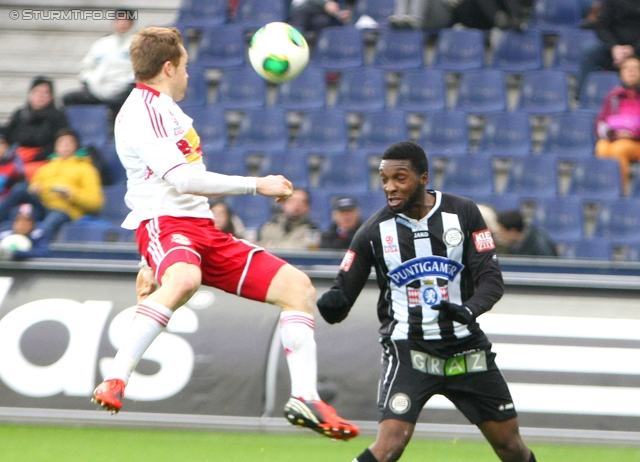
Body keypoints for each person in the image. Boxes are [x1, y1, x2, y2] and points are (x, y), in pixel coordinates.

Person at [91, 26, 358, 442]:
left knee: (298, 289)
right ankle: (116, 376)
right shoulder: (146, 111)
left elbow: (156, 180)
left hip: (201, 230)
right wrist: (259, 184)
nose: (188, 75)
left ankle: (305, 397)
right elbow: (181, 180)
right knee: (184, 280)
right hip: (166, 225)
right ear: (168, 67)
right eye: (184, 66)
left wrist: (149, 261)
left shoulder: (162, 107)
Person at [316, 141, 537, 462]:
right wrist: (328, 303)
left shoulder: (463, 213)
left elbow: (492, 281)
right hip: (409, 350)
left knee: (511, 447)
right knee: (390, 445)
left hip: (466, 350)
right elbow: (341, 298)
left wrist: (467, 311)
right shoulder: (372, 232)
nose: (390, 187)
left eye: (400, 178)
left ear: (423, 178)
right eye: (384, 179)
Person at [0, 128, 104, 240]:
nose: (65, 145)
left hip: (65, 209)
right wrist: (34, 190)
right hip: (42, 206)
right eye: (61, 142)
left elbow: (96, 203)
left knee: (50, 222)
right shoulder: (45, 168)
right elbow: (31, 189)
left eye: (70, 142)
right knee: (20, 190)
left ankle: (31, 244)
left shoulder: (86, 169)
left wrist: (72, 195)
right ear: (56, 146)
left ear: (76, 146)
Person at [62, 10, 136, 120]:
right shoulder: (102, 44)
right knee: (68, 98)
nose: (122, 23)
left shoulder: (137, 44)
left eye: (126, 20)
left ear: (131, 23)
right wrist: (90, 81)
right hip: (96, 90)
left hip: (122, 91)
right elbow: (86, 67)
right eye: (119, 20)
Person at [2, 75, 69, 180]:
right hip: (16, 158)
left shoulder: (57, 116)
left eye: (45, 92)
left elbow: (61, 141)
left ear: (51, 96)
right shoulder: (20, 114)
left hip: (43, 161)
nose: (40, 96)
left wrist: (36, 156)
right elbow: (7, 133)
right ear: (30, 94)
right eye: (37, 91)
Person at [575, 0, 640, 98]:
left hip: (637, 49)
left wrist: (633, 48)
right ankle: (582, 98)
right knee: (589, 51)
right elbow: (601, 26)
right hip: (612, 49)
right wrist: (614, 47)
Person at [594, 55, 640, 193]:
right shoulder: (613, 96)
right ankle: (603, 190)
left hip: (636, 140)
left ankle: (619, 192)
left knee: (620, 148)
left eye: (635, 68)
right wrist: (611, 133)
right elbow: (601, 121)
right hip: (615, 137)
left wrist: (633, 134)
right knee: (602, 147)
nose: (631, 72)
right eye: (627, 69)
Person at [288, 0, 353, 40]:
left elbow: (336, 6)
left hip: (321, 12)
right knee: (300, 20)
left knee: (322, 21)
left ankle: (320, 54)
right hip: (302, 9)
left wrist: (340, 13)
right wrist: (324, 4)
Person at [0, 131, 25, 198]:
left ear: (6, 146)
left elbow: (20, 184)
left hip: (8, 200)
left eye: (1, 144)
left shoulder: (15, 162)